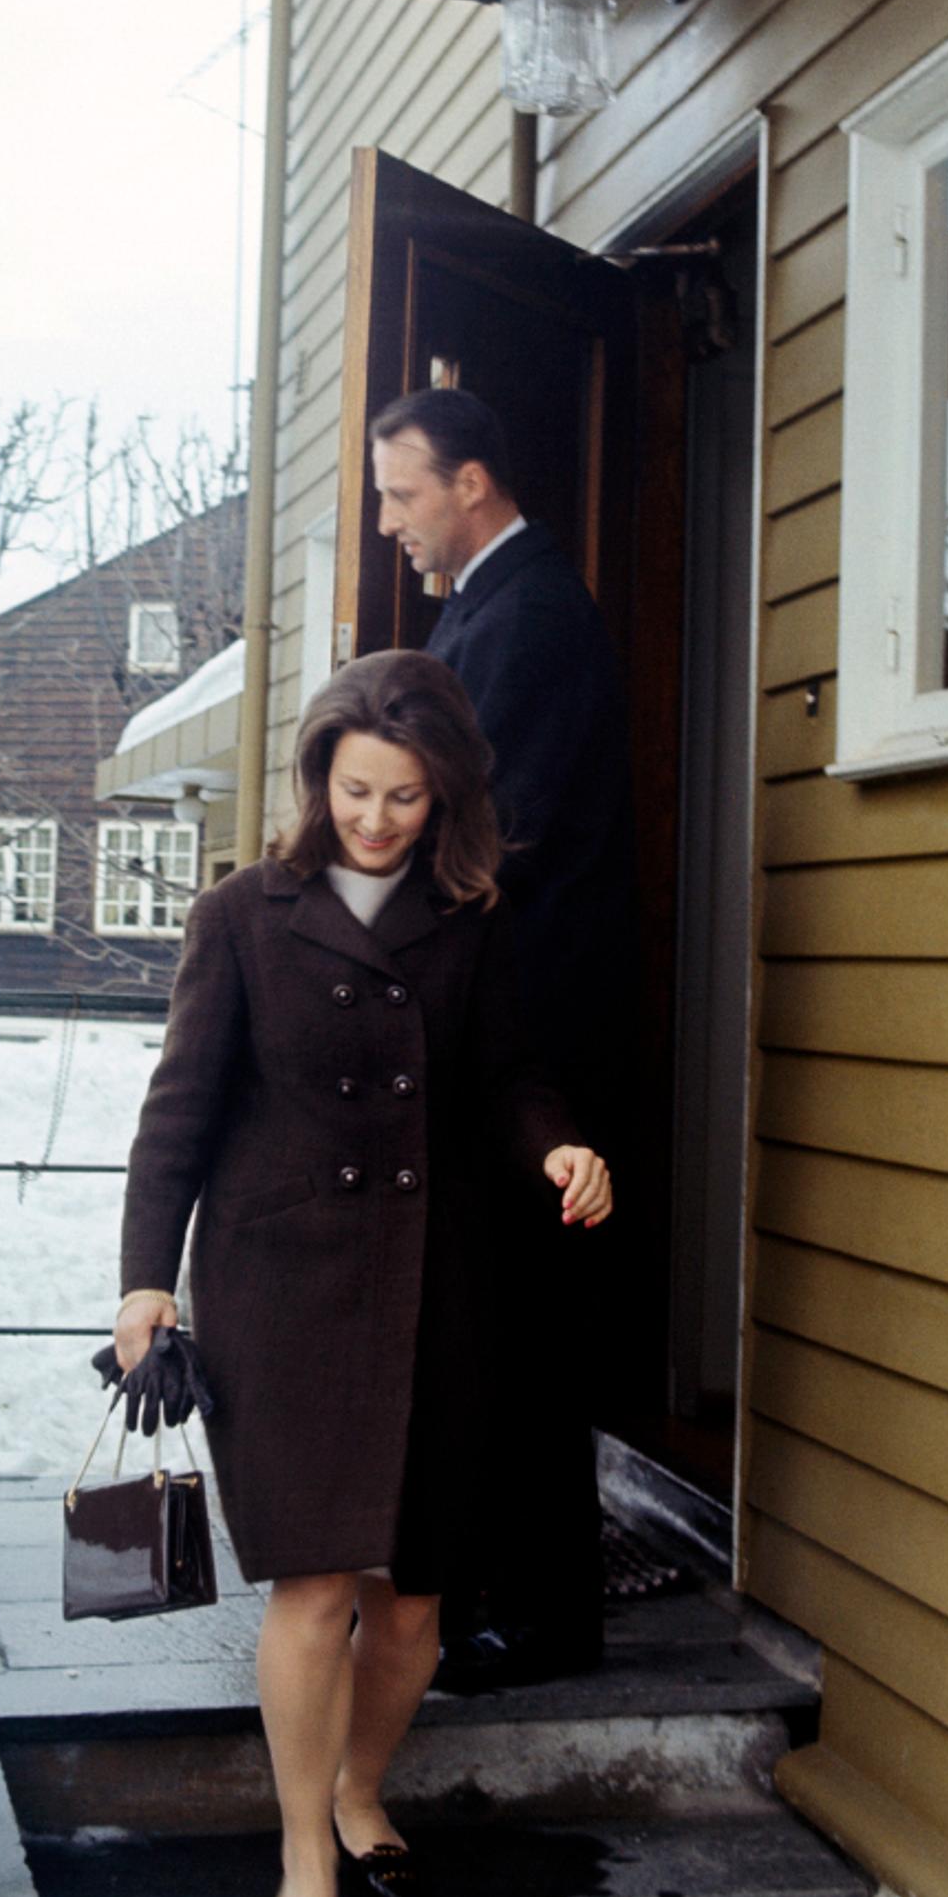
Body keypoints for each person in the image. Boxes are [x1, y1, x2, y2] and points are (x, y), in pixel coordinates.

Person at [113, 650, 612, 1897]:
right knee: (317, 1585)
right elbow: (177, 1113)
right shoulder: (241, 916)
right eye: (355, 791)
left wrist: (557, 1144)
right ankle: (304, 1857)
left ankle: (360, 1787)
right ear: (315, 782)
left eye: (404, 796)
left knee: (412, 1602)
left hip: (439, 1288)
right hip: (284, 1292)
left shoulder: (471, 922)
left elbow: (509, 1077)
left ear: (443, 797)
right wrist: (145, 1280)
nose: (377, 819)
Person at [371, 386, 637, 1691]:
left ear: (470, 483)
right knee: (487, 1319)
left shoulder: (529, 615)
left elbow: (496, 835)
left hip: (531, 1032)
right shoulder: (482, 608)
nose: (389, 523)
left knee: (528, 1326)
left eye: (402, 494)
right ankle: (477, 1590)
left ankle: (541, 1619)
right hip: (495, 1022)